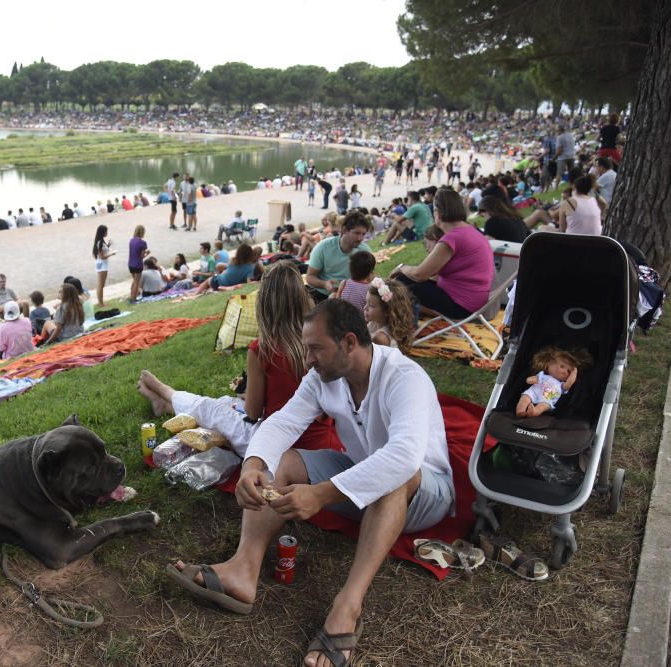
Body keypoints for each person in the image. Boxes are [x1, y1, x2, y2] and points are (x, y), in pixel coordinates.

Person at [165, 299, 452, 667]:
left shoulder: (403, 377)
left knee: (393, 475)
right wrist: (253, 464)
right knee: (283, 461)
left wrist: (321, 494)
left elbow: (404, 458)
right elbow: (283, 423)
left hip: (425, 492)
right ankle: (242, 569)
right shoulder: (322, 378)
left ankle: (348, 606)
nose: (308, 359)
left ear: (349, 342)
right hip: (360, 476)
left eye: (316, 349)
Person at [138, 262, 341, 457]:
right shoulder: (321, 340)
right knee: (227, 402)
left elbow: (252, 413)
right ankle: (165, 405)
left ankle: (166, 392)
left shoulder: (263, 349)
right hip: (322, 441)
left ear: (264, 303)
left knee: (214, 409)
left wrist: (248, 396)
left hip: (277, 446)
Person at [391, 189, 494, 320]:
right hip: (475, 301)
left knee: (397, 289)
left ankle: (393, 328)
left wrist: (401, 267)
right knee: (403, 280)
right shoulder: (470, 231)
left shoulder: (453, 238)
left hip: (462, 306)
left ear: (437, 212)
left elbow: (419, 275)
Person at [305, 211, 372, 303]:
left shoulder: (365, 250)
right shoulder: (323, 247)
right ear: (344, 230)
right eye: (357, 233)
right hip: (323, 294)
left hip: (351, 296)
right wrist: (325, 284)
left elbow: (370, 275)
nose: (360, 238)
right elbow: (310, 277)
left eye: (363, 234)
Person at [516, 347, 591, 417]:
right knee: (525, 398)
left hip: (547, 398)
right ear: (549, 364)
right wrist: (531, 380)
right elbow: (534, 379)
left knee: (543, 406)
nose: (564, 372)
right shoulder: (542, 375)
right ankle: (520, 411)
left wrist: (574, 373)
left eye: (568, 371)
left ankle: (534, 412)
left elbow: (569, 383)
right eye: (562, 366)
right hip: (534, 392)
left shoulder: (561, 385)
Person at [364, 277, 416, 353]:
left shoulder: (381, 338)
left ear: (387, 311)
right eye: (366, 302)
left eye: (371, 305)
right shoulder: (375, 322)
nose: (365, 307)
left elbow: (373, 361)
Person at [93, 225, 115, 307]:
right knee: (100, 285)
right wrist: (112, 254)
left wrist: (108, 245)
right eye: (106, 231)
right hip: (102, 265)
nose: (107, 233)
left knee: (101, 285)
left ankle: (100, 302)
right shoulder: (100, 243)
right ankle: (100, 303)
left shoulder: (100, 242)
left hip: (102, 264)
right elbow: (102, 256)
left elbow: (102, 252)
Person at [128, 224, 149, 303]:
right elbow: (141, 256)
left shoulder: (131, 240)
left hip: (130, 264)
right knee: (137, 283)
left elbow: (134, 252)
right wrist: (147, 253)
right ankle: (133, 299)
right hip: (138, 265)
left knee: (134, 281)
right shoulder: (143, 243)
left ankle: (131, 296)